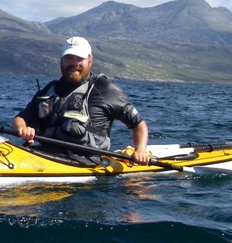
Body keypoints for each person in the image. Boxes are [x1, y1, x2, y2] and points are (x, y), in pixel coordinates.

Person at [13, 36, 151, 165]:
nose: (74, 63)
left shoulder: (106, 90)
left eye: (80, 58)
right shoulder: (50, 90)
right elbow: (20, 118)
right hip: (42, 154)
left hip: (85, 162)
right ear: (61, 61)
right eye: (69, 58)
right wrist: (23, 128)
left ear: (90, 61)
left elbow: (138, 124)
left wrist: (140, 150)